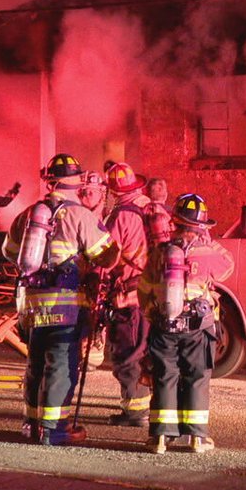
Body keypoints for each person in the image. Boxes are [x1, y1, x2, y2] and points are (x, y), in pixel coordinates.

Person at [13, 153, 118, 445]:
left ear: (50, 181)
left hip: (31, 305)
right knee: (60, 364)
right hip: (65, 306)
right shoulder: (80, 215)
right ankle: (53, 429)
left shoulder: (29, 214)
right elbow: (106, 256)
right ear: (76, 181)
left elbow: (11, 252)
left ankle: (31, 424)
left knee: (35, 362)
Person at [138, 193, 234, 454]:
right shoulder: (208, 251)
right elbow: (228, 267)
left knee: (164, 376)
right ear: (201, 225)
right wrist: (208, 242)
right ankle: (197, 438)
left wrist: (152, 315)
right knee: (197, 376)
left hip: (164, 325)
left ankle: (159, 437)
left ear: (176, 222)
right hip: (198, 325)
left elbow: (144, 288)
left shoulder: (160, 252)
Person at [101, 162, 154, 427]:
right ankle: (156, 405)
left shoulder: (121, 215)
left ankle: (135, 412)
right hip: (155, 293)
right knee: (148, 351)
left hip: (129, 294)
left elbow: (107, 256)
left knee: (128, 352)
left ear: (112, 190)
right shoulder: (152, 208)